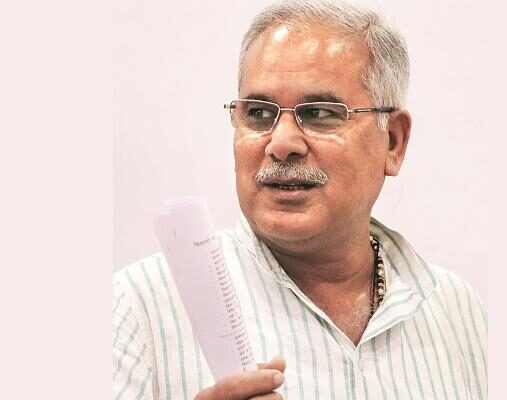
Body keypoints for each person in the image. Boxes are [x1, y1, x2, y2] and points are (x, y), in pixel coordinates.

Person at [112, 0, 487, 399]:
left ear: (393, 142)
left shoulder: (456, 311)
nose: (282, 143)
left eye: (320, 113)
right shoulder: (139, 308)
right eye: (259, 113)